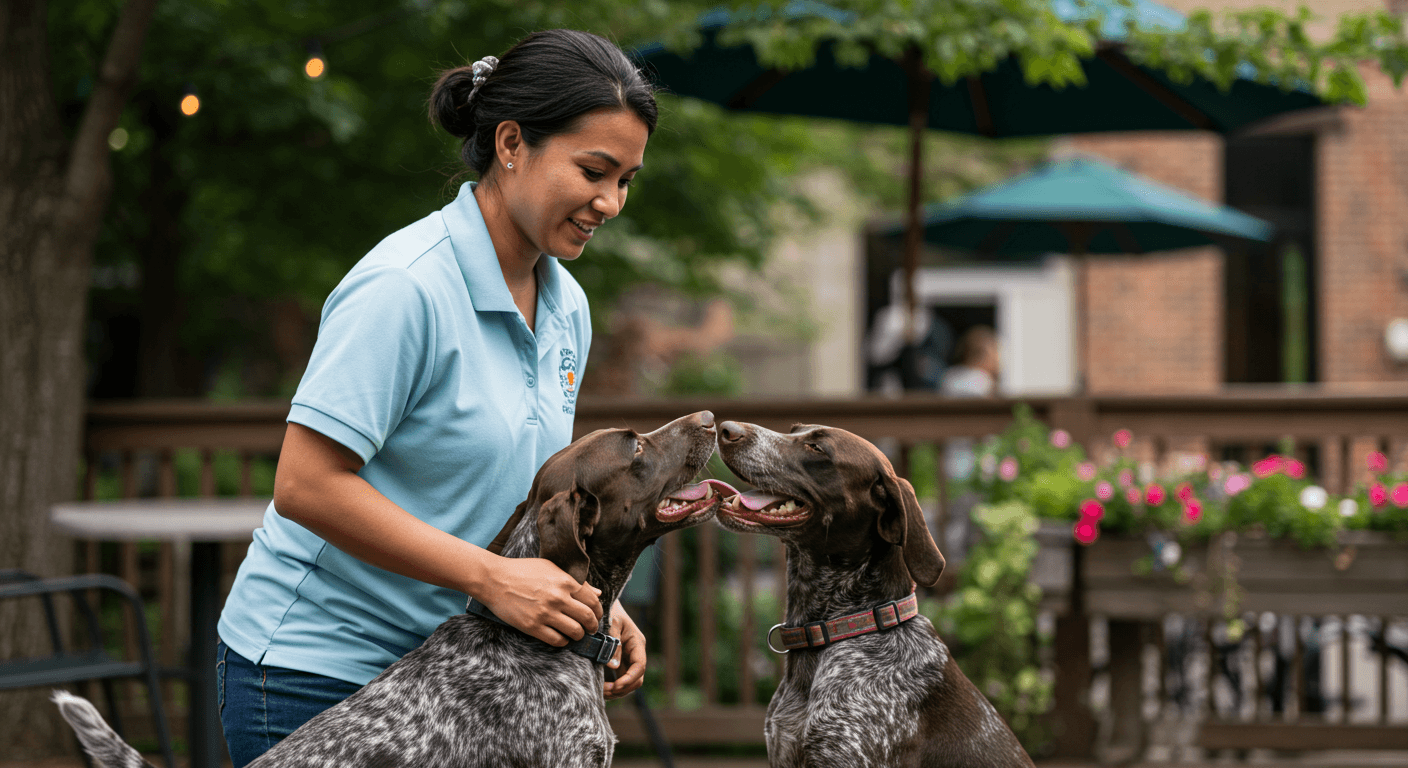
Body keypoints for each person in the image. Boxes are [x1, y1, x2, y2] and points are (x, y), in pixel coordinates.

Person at [214, 30, 657, 767]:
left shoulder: (567, 305)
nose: (610, 202)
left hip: (451, 679)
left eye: (628, 180)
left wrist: (594, 605)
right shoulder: (403, 287)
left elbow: (516, 503)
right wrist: (490, 578)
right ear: (511, 143)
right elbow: (304, 485)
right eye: (594, 170)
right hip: (316, 673)